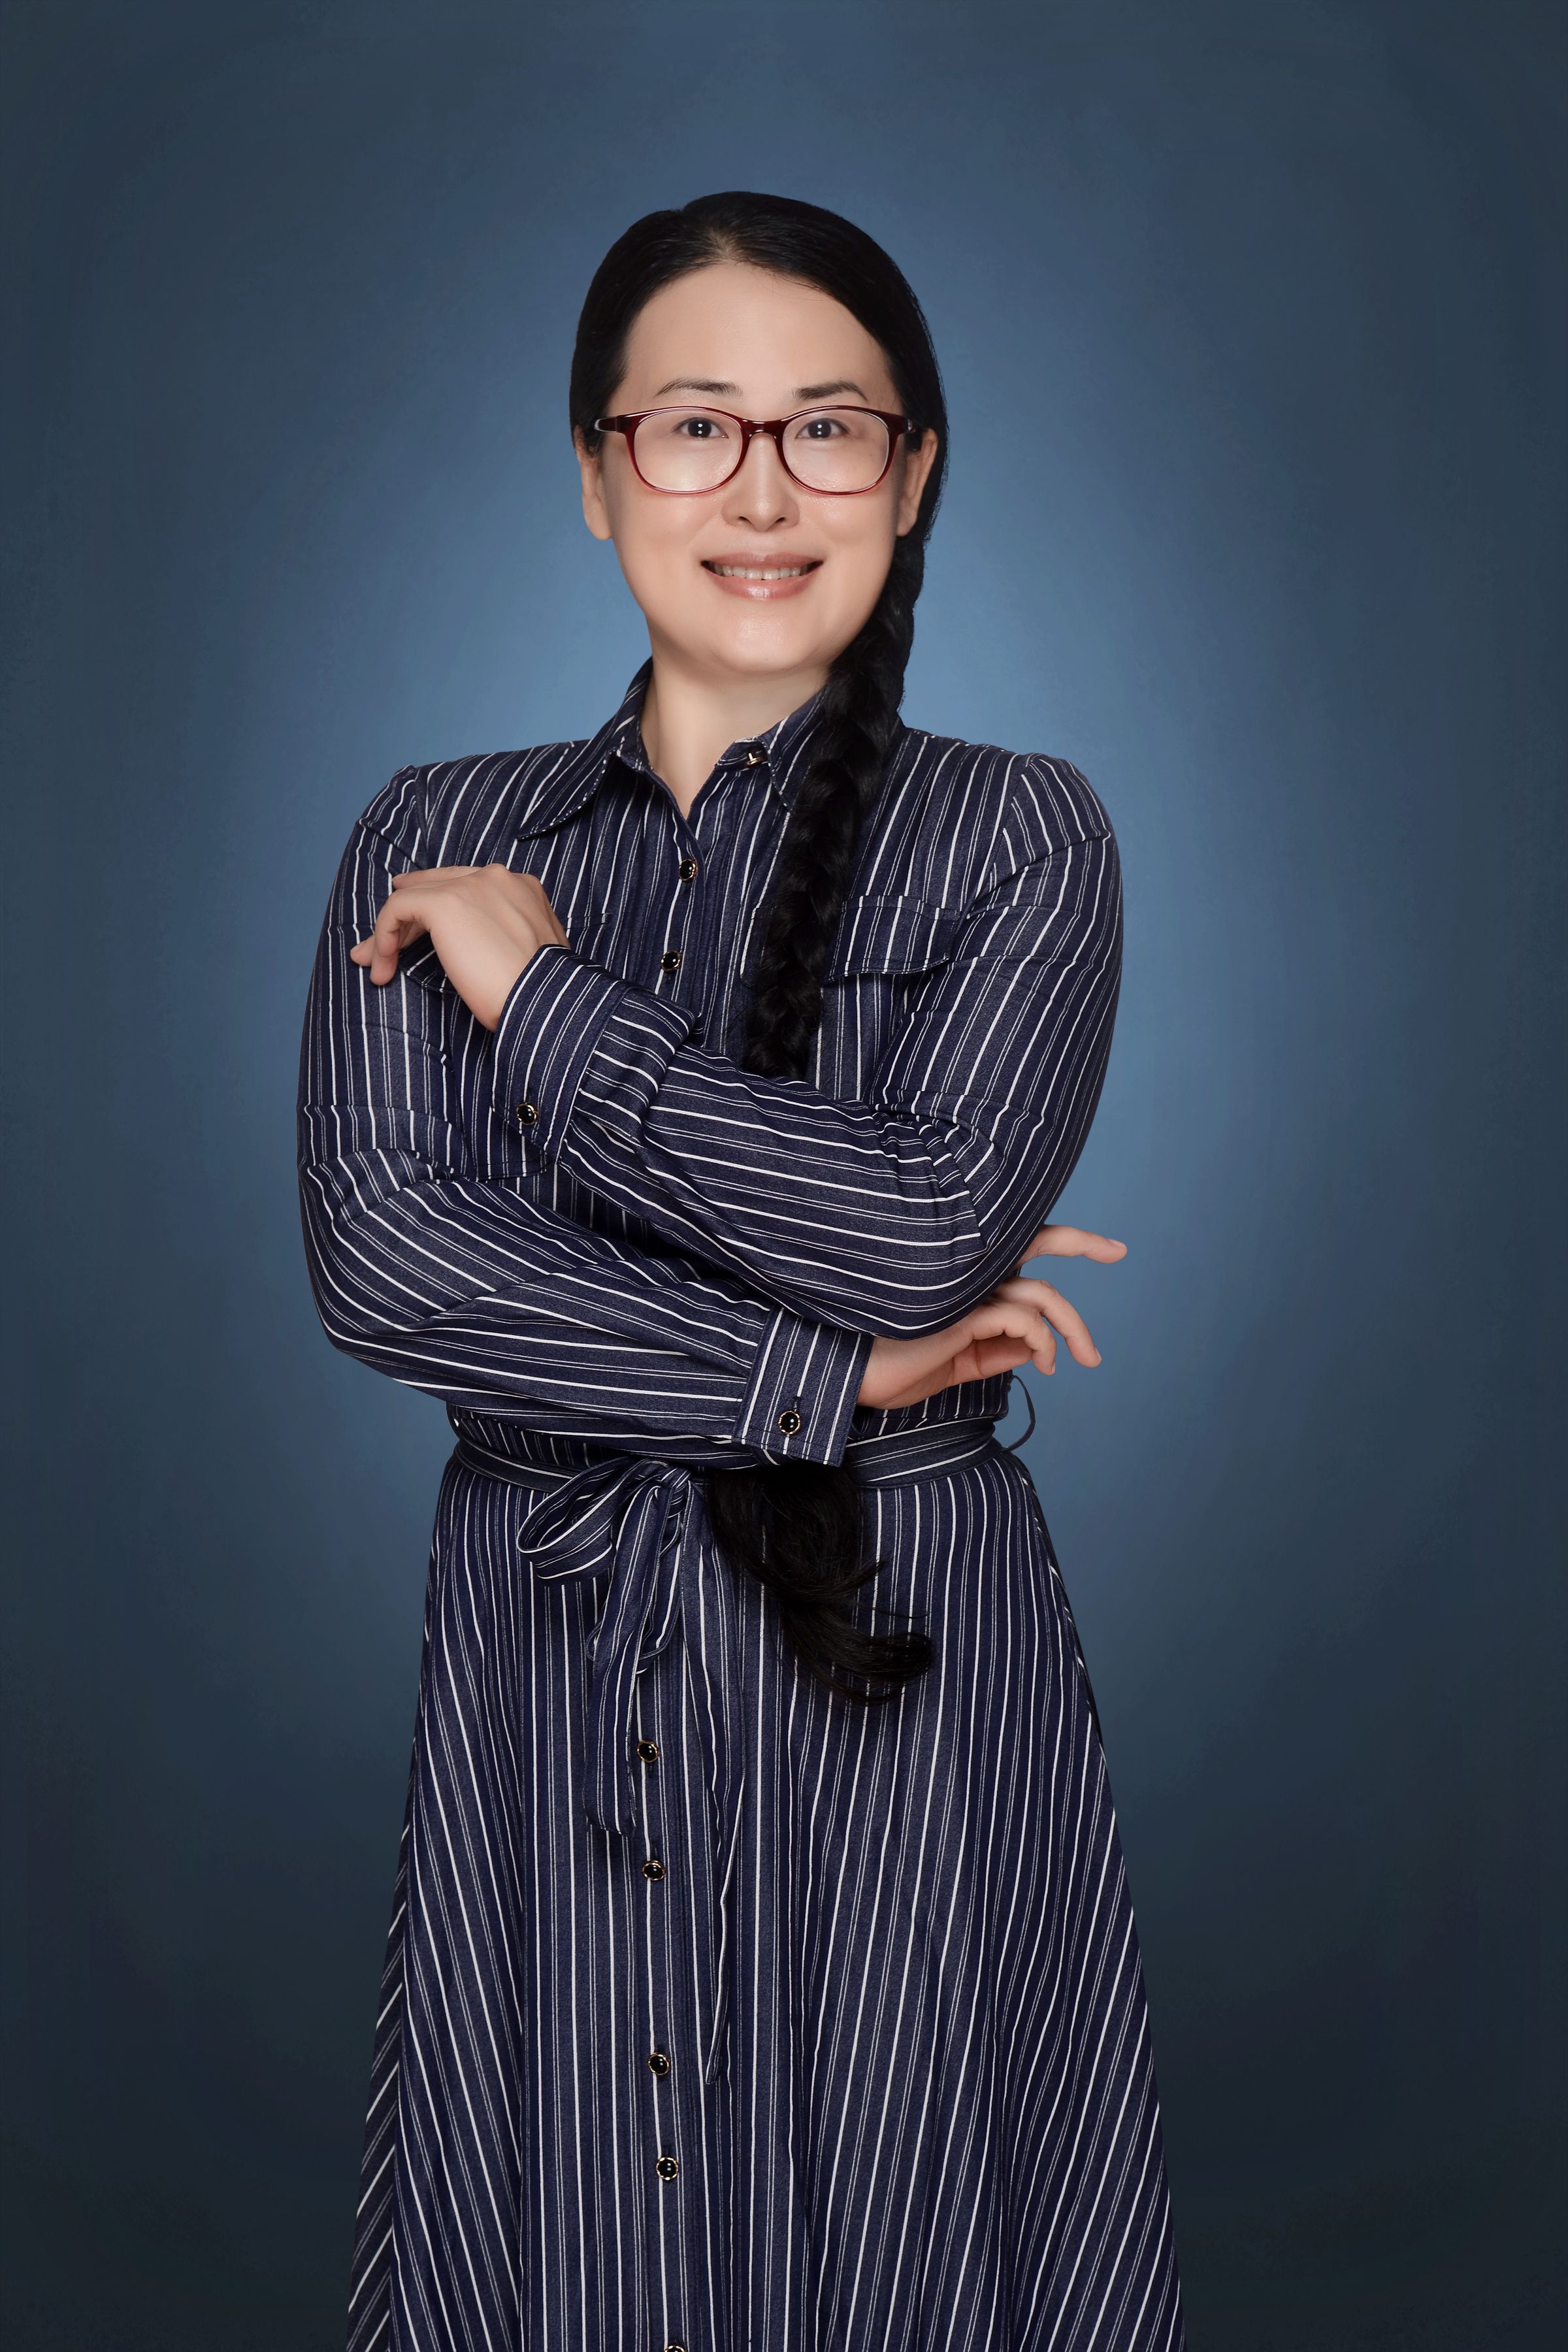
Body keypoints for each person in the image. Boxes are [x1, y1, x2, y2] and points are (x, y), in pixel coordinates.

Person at [298, 188, 1184, 2352]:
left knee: (918, 2215)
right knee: (561, 2229)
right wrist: (827, 1379)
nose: (764, 493)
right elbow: (391, 1261)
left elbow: (926, 1227)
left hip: (899, 1633)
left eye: (829, 430)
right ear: (597, 475)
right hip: (552, 1638)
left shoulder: (1018, 836)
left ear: (915, 474)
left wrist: (543, 1005)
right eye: (695, 427)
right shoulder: (434, 831)